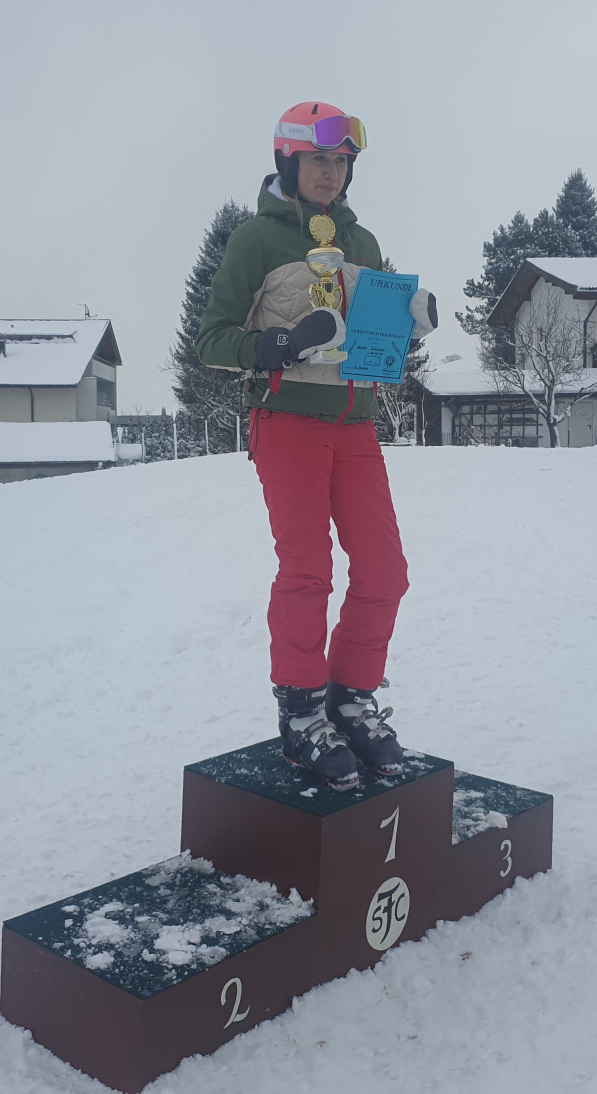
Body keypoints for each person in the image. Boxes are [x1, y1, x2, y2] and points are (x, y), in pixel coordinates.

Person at [195, 101, 437, 791]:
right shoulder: (256, 240)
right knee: (307, 571)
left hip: (355, 424)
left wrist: (407, 326)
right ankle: (301, 711)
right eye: (319, 160)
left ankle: (350, 700)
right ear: (288, 161)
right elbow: (211, 340)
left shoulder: (363, 243)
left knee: (385, 571)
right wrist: (278, 344)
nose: (331, 173)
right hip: (287, 420)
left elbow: (371, 341)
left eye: (341, 162)